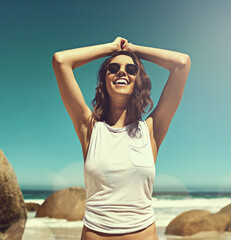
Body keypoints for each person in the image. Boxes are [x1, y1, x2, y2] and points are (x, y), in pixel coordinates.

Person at [52, 37, 191, 240]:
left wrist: (133, 50)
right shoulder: (90, 129)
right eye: (114, 68)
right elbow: (61, 61)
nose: (122, 71)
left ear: (138, 81)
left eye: (131, 69)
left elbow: (182, 63)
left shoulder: (151, 131)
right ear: (104, 81)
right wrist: (113, 48)